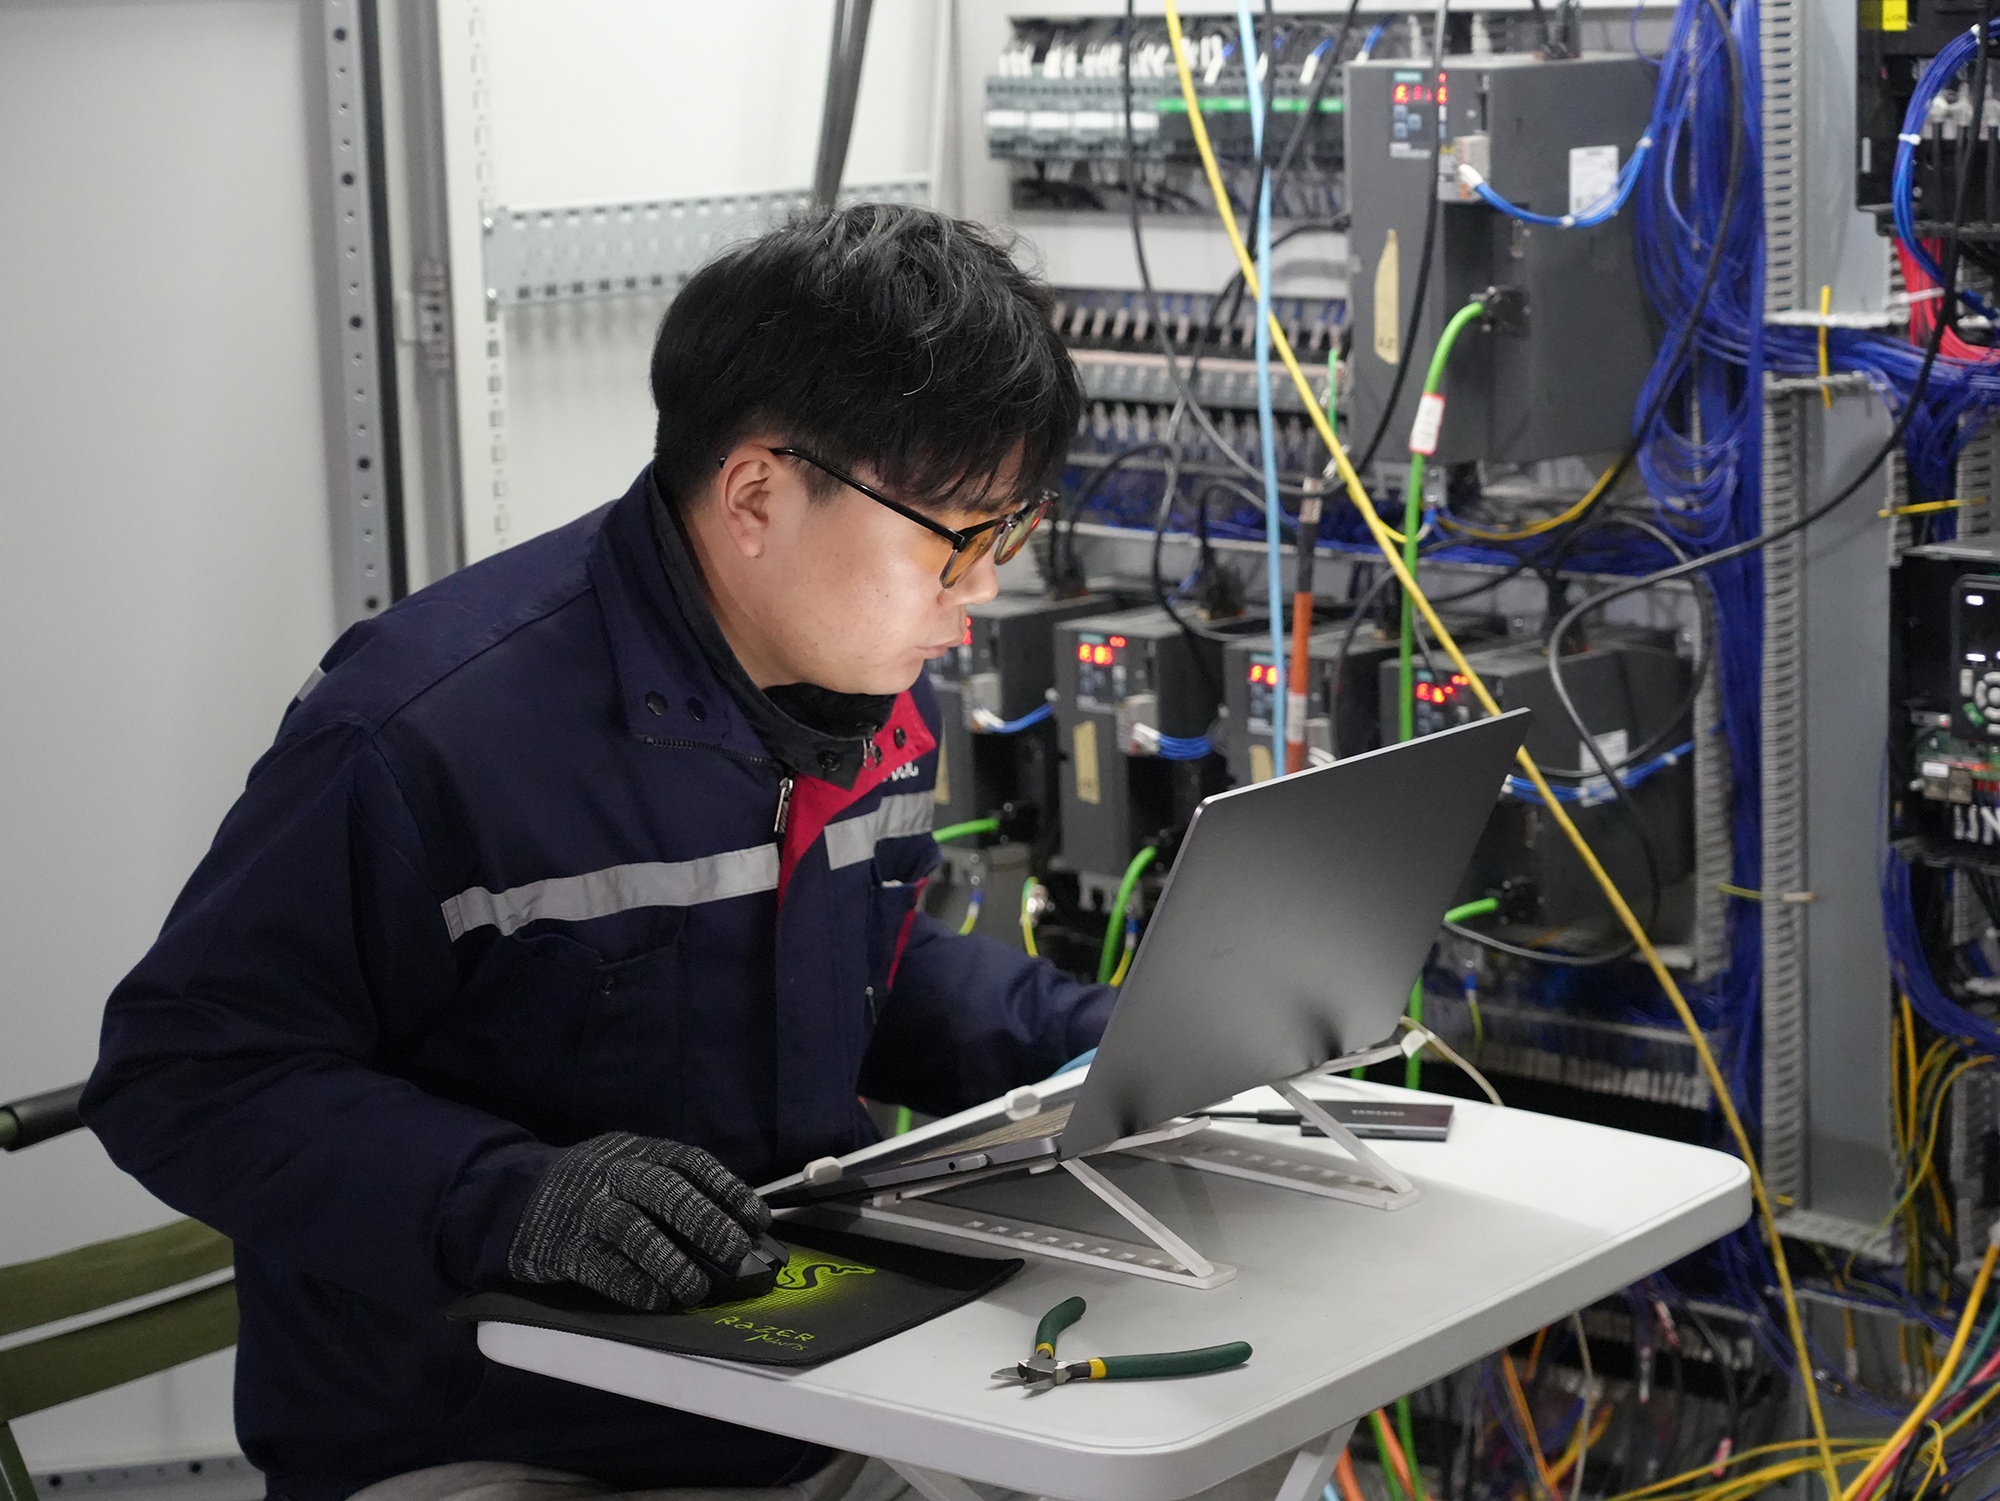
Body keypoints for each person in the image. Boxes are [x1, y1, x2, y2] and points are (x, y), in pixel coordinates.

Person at [81, 204, 1119, 1501]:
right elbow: (182, 1072)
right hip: (492, 1430)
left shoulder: (861, 690)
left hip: (794, 1389)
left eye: (1008, 533)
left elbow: (848, 965)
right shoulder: (422, 733)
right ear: (757, 494)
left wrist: (1103, 1041)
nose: (982, 592)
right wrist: (513, 1200)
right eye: (956, 537)